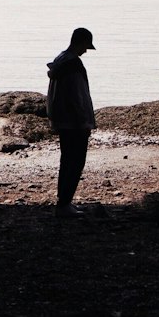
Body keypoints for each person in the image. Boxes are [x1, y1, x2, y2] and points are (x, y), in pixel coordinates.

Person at [46, 27, 96, 218]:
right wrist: (84, 121)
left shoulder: (60, 60)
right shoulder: (73, 64)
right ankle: (64, 204)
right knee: (75, 162)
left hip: (63, 120)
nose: (86, 51)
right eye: (86, 46)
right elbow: (77, 96)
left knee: (67, 161)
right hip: (75, 122)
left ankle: (64, 202)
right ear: (81, 42)